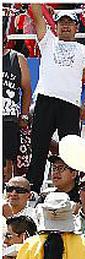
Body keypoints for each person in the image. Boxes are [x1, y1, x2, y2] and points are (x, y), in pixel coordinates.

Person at [24, 6, 85, 192]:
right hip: (45, 100)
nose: (65, 26)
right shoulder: (48, 42)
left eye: (69, 23)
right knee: (38, 147)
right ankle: (33, 188)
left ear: (76, 27)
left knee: (71, 150)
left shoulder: (84, 50)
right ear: (55, 26)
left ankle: (71, 191)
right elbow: (38, 16)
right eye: (61, 23)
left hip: (70, 104)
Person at [2, 46, 30, 178]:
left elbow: (26, 89)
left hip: (9, 117)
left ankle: (6, 192)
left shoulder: (17, 58)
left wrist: (24, 115)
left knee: (7, 163)